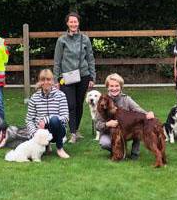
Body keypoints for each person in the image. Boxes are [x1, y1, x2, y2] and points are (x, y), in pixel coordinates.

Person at [53, 12, 96, 143]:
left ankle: (76, 129)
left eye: (75, 22)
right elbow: (57, 61)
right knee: (70, 104)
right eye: (71, 22)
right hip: (66, 77)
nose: (73, 24)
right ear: (67, 23)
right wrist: (56, 79)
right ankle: (72, 133)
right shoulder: (62, 40)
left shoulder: (85, 39)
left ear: (78, 23)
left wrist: (92, 77)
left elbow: (90, 58)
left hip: (83, 76)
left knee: (79, 104)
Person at [94, 73, 155, 160]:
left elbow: (137, 109)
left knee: (138, 126)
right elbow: (97, 125)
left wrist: (148, 114)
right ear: (107, 87)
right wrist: (107, 124)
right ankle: (118, 152)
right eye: (111, 86)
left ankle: (134, 153)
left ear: (121, 87)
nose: (114, 88)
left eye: (117, 86)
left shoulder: (126, 99)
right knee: (105, 143)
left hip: (126, 131)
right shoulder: (102, 101)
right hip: (109, 133)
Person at [25, 69, 70, 159]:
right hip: (40, 132)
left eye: (48, 79)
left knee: (54, 120)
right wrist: (34, 133)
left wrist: (46, 119)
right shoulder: (34, 97)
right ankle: (46, 146)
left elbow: (65, 117)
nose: (46, 82)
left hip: (58, 130)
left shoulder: (61, 95)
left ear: (52, 81)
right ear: (39, 81)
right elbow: (29, 119)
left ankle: (60, 148)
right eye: (43, 80)